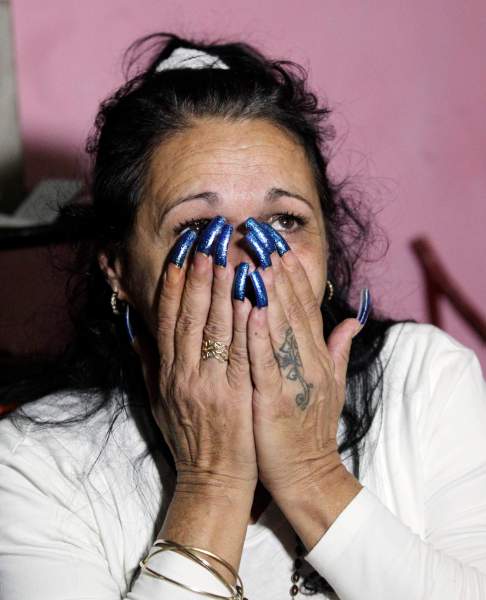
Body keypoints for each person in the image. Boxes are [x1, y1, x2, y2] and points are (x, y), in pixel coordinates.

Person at [1, 33, 486, 600]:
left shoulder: (422, 379)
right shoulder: (34, 464)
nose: (251, 258)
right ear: (119, 273)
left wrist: (312, 473)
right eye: (193, 230)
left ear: (327, 247)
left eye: (283, 221)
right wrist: (213, 485)